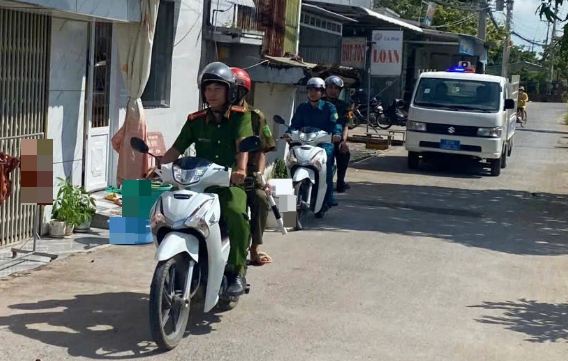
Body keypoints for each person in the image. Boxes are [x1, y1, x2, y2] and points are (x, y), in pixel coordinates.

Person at [158, 61, 253, 296]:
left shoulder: (241, 118)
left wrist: (240, 170)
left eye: (217, 89)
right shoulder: (196, 120)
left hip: (227, 182)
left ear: (229, 91)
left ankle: (236, 270)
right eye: (207, 89)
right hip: (198, 183)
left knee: (235, 212)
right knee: (171, 212)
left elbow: (243, 146)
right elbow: (176, 149)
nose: (211, 94)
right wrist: (158, 164)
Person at [230, 66, 276, 266]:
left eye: (234, 90)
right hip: (216, 173)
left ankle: (254, 248)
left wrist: (258, 174)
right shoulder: (212, 115)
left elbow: (262, 150)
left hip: (246, 174)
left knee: (260, 198)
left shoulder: (256, 116)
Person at [285, 77, 342, 215]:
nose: (313, 93)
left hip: (323, 144)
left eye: (316, 90)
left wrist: (336, 134)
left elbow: (336, 125)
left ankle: (325, 200)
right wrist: (288, 133)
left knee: (325, 165)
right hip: (304, 142)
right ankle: (287, 212)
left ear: (322, 92)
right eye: (310, 89)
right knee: (290, 165)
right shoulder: (302, 107)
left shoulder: (330, 108)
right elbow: (294, 125)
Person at [324, 75, 351, 193]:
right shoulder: (309, 106)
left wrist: (343, 141)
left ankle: (340, 181)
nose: (333, 91)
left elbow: (345, 125)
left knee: (344, 153)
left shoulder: (344, 106)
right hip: (316, 138)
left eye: (336, 88)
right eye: (330, 87)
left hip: (336, 138)